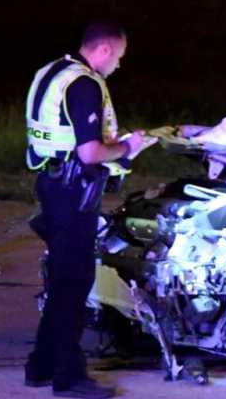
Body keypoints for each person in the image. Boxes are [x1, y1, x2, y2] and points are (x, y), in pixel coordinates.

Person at [24, 21, 146, 399]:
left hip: (50, 181)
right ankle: (69, 377)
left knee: (62, 279)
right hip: (74, 190)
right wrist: (128, 149)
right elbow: (90, 152)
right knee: (74, 283)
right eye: (120, 58)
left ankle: (41, 365)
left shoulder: (52, 71)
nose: (119, 66)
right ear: (105, 50)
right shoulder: (85, 84)